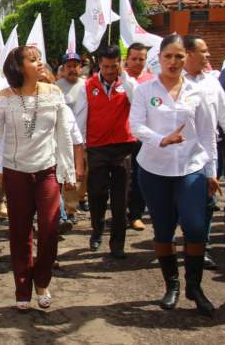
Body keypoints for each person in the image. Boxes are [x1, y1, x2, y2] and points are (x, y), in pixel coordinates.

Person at [129, 34, 219, 316]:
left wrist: (211, 171)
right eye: (168, 56)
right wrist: (160, 139)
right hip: (154, 169)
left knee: (194, 225)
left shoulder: (198, 91)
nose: (173, 61)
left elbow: (207, 133)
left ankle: (195, 286)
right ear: (160, 57)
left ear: (187, 58)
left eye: (179, 56)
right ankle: (172, 285)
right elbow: (135, 126)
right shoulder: (146, 91)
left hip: (190, 167)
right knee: (164, 229)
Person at [0, 46, 76, 310]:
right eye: (33, 59)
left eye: (40, 58)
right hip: (16, 172)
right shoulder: (5, 97)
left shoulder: (54, 93)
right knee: (20, 232)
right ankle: (22, 288)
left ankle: (42, 280)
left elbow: (64, 134)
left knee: (50, 230)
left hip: (46, 171)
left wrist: (68, 171)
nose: (40, 63)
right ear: (18, 67)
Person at [74, 46, 138, 258]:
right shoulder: (88, 85)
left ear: (120, 63)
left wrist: (126, 77)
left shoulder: (128, 84)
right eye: (105, 66)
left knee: (120, 200)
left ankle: (117, 243)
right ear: (99, 65)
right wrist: (81, 147)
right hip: (97, 148)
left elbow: (137, 101)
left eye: (114, 65)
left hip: (123, 148)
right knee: (97, 194)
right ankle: (97, 231)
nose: (110, 70)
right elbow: (81, 117)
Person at [183, 35, 225, 270]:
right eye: (204, 51)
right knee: (181, 206)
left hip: (210, 155)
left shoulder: (212, 83)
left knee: (208, 202)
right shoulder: (173, 83)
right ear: (189, 54)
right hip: (181, 158)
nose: (208, 55)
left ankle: (203, 248)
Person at [124, 43, 155, 232]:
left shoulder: (153, 81)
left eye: (141, 59)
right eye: (133, 58)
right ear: (127, 58)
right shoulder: (118, 78)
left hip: (143, 138)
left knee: (139, 178)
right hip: (120, 137)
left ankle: (135, 215)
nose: (137, 62)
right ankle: (119, 214)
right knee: (121, 180)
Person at [56, 52, 89, 217]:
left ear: (80, 68)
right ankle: (66, 209)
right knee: (66, 172)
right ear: (63, 69)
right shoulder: (56, 87)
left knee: (80, 173)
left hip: (83, 136)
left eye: (75, 66)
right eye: (68, 66)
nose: (72, 69)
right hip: (63, 137)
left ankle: (75, 204)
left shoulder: (87, 86)